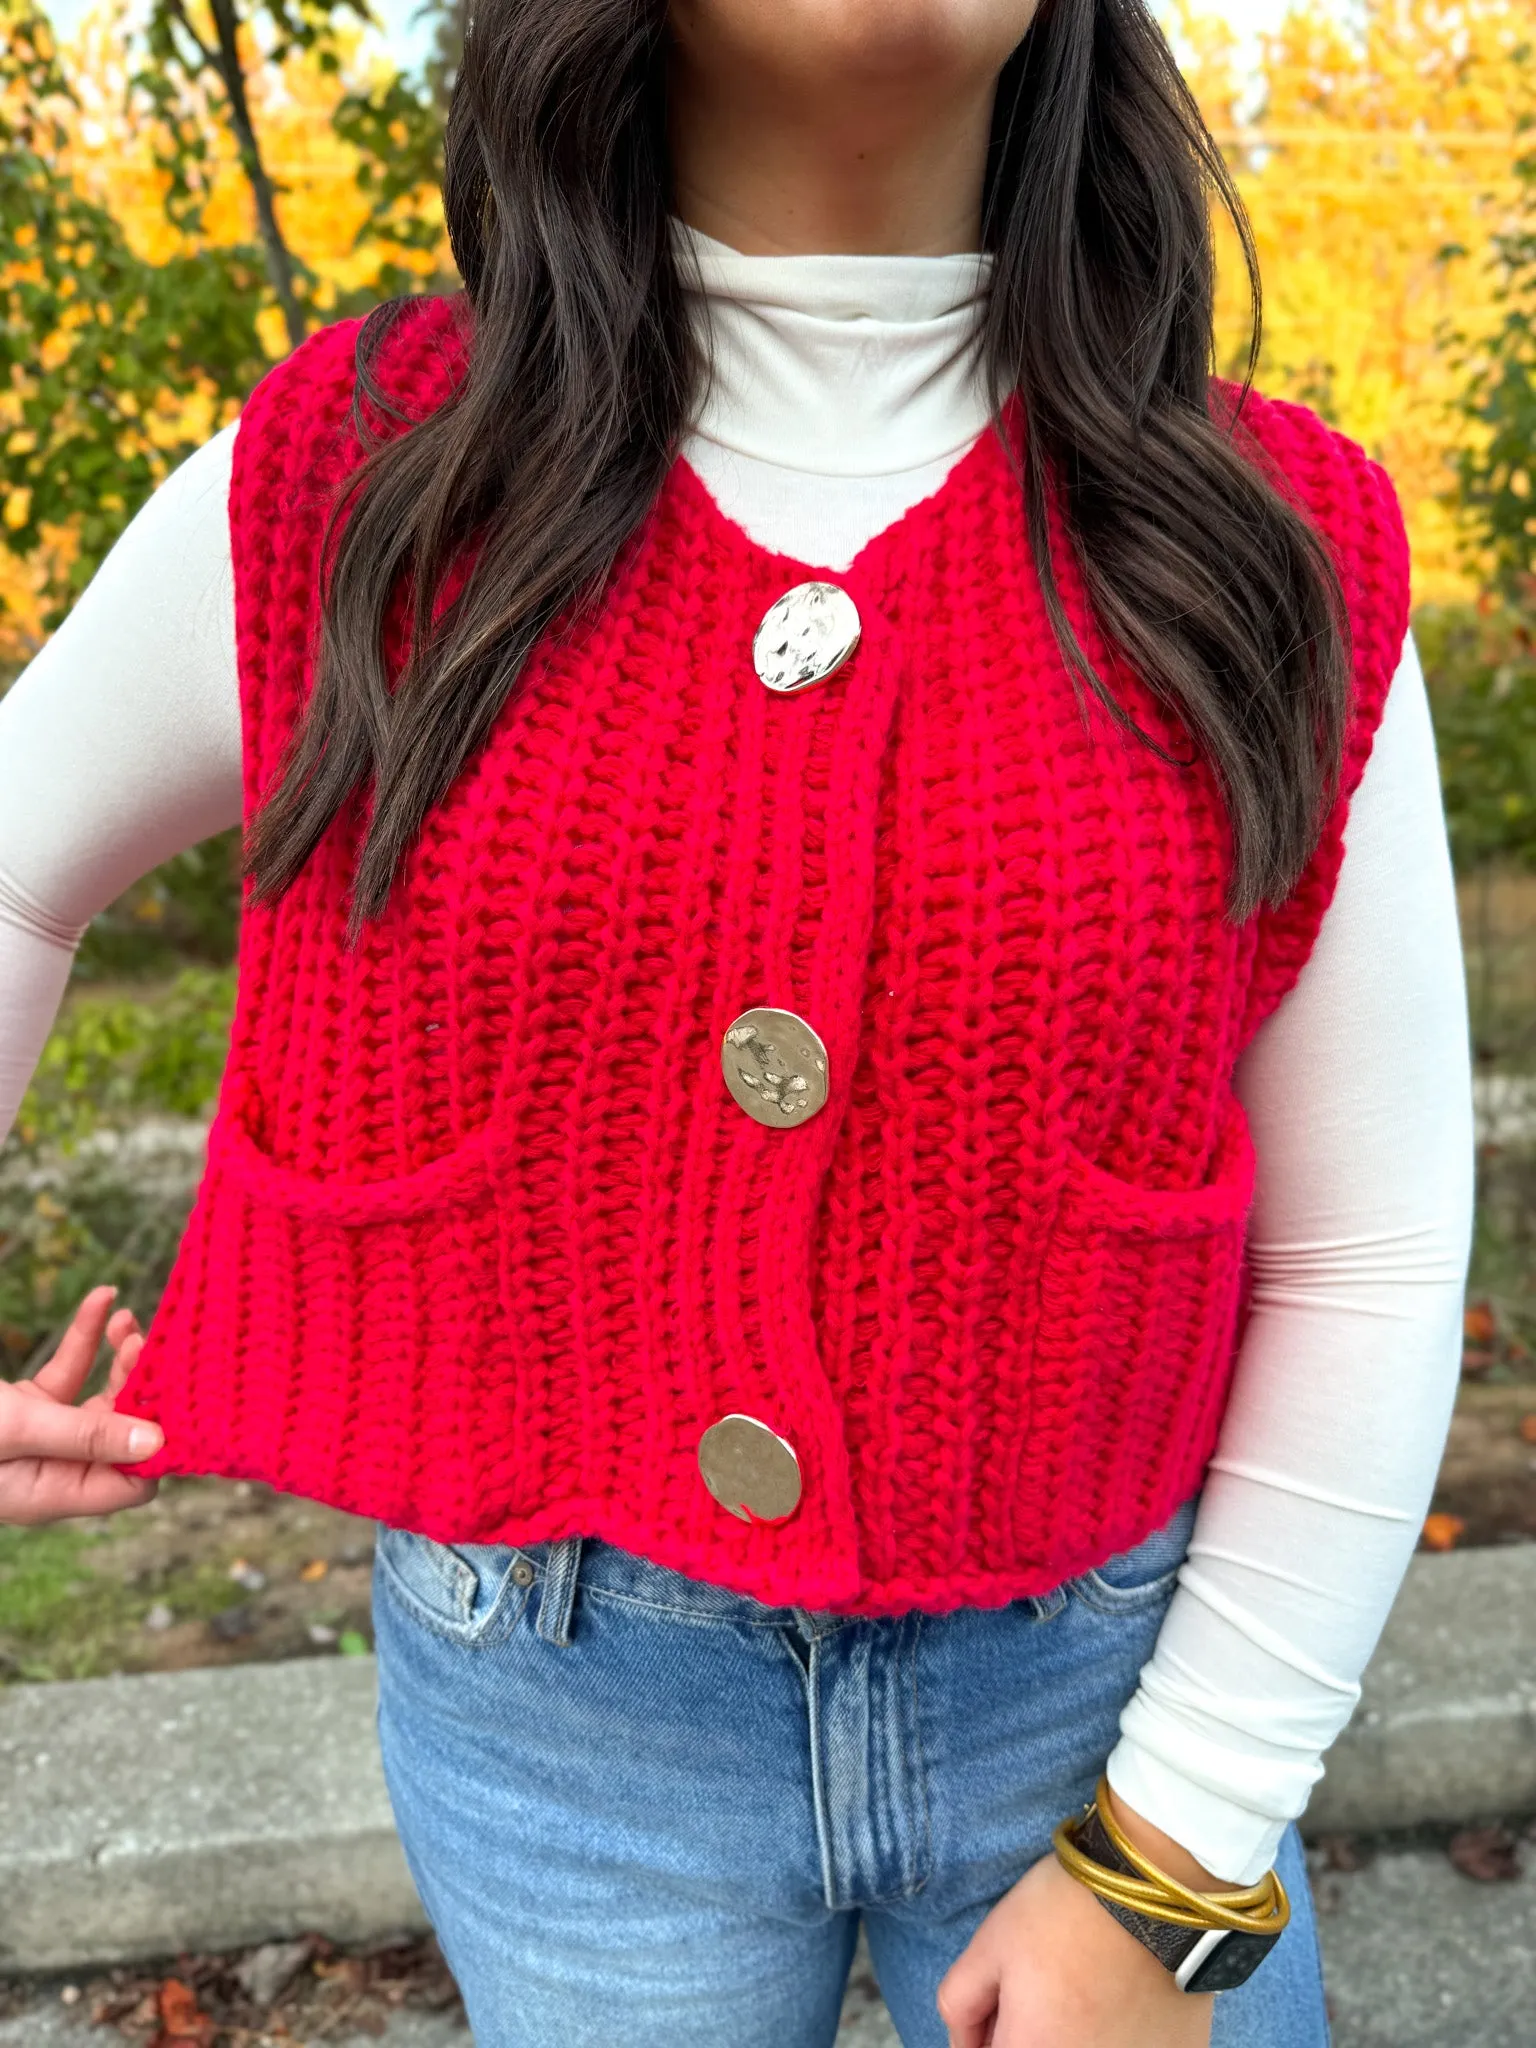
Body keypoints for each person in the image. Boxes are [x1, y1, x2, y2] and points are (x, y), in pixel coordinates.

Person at [0, 2, 1474, 2044]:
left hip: (1115, 1695)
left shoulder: (1269, 547)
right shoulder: (358, 486)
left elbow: (1374, 1246)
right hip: (561, 1716)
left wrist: (1177, 1854)